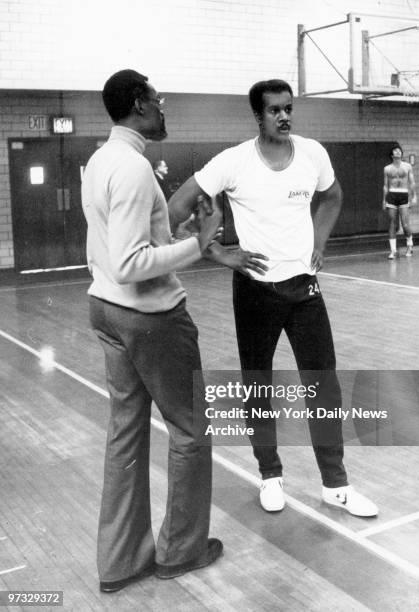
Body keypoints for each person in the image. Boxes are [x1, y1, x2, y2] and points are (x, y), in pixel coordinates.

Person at [169, 79, 378, 518]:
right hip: (255, 290)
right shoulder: (233, 162)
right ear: (257, 117)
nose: (284, 116)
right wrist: (216, 252)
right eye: (274, 110)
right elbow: (174, 209)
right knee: (257, 385)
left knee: (324, 386)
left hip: (304, 288)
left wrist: (318, 241)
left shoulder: (313, 155)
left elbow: (333, 196)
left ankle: (336, 486)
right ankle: (270, 475)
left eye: (288, 108)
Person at [81, 69, 223, 593]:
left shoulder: (100, 161)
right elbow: (131, 261)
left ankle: (119, 562)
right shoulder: (135, 167)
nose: (164, 108)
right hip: (151, 318)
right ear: (140, 104)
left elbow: (122, 245)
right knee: (190, 430)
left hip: (107, 311)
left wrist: (172, 234)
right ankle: (181, 551)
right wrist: (198, 245)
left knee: (125, 435)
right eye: (159, 100)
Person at [383, 145, 417, 259]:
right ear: (392, 155)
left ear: (401, 154)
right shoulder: (387, 168)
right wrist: (384, 199)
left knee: (405, 223)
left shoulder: (407, 166)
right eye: (395, 151)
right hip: (392, 194)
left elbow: (412, 182)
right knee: (392, 223)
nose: (398, 152)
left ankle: (410, 245)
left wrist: (414, 196)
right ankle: (393, 250)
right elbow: (385, 185)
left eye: (399, 151)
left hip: (403, 194)